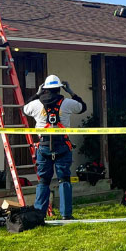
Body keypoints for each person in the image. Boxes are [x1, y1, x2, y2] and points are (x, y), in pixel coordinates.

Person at [21, 74, 87, 219]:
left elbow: (24, 109)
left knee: (43, 181)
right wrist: (71, 91)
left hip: (43, 147)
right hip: (62, 146)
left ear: (45, 89)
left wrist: (37, 94)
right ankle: (66, 215)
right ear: (59, 89)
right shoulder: (68, 103)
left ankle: (39, 214)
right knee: (64, 179)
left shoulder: (36, 104)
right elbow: (83, 107)